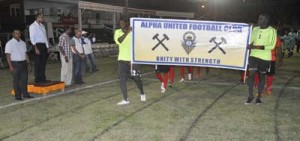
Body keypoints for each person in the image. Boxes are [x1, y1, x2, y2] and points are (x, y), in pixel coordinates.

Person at [246, 13, 277, 105]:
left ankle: (259, 97)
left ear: (266, 20)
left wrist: (258, 47)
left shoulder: (272, 31)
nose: (258, 20)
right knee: (251, 74)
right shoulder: (255, 29)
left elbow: (272, 45)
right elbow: (251, 41)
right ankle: (250, 95)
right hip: (253, 56)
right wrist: (250, 45)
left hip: (264, 57)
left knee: (261, 76)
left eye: (261, 19)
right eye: (259, 18)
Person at [114, 16, 146, 105]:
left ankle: (142, 93)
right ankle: (125, 99)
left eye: (122, 23)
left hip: (132, 60)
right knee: (122, 80)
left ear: (126, 23)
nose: (121, 24)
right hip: (121, 60)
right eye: (120, 23)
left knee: (137, 78)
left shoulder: (133, 32)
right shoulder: (117, 32)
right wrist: (127, 32)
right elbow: (119, 41)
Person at [5, 30, 34, 100]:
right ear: (13, 34)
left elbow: (25, 54)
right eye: (16, 33)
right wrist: (10, 66)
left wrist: (29, 64)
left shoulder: (23, 43)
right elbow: (7, 56)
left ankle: (25, 94)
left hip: (23, 63)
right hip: (15, 64)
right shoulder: (9, 43)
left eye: (19, 33)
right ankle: (18, 96)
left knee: (24, 80)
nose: (18, 34)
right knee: (16, 81)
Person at [29, 13, 49, 85]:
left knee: (43, 63)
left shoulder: (42, 26)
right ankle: (38, 79)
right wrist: (35, 48)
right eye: (41, 17)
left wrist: (47, 47)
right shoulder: (32, 26)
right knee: (38, 63)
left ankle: (43, 78)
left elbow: (45, 37)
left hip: (43, 45)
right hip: (37, 45)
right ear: (37, 18)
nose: (43, 19)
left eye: (43, 17)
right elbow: (32, 38)